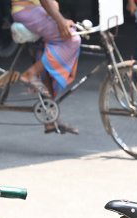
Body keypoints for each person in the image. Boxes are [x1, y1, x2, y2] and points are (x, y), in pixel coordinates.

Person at [12, 0, 80, 134]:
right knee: (72, 39)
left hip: (34, 9)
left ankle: (50, 118)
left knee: (48, 55)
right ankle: (30, 73)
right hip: (26, 10)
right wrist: (61, 21)